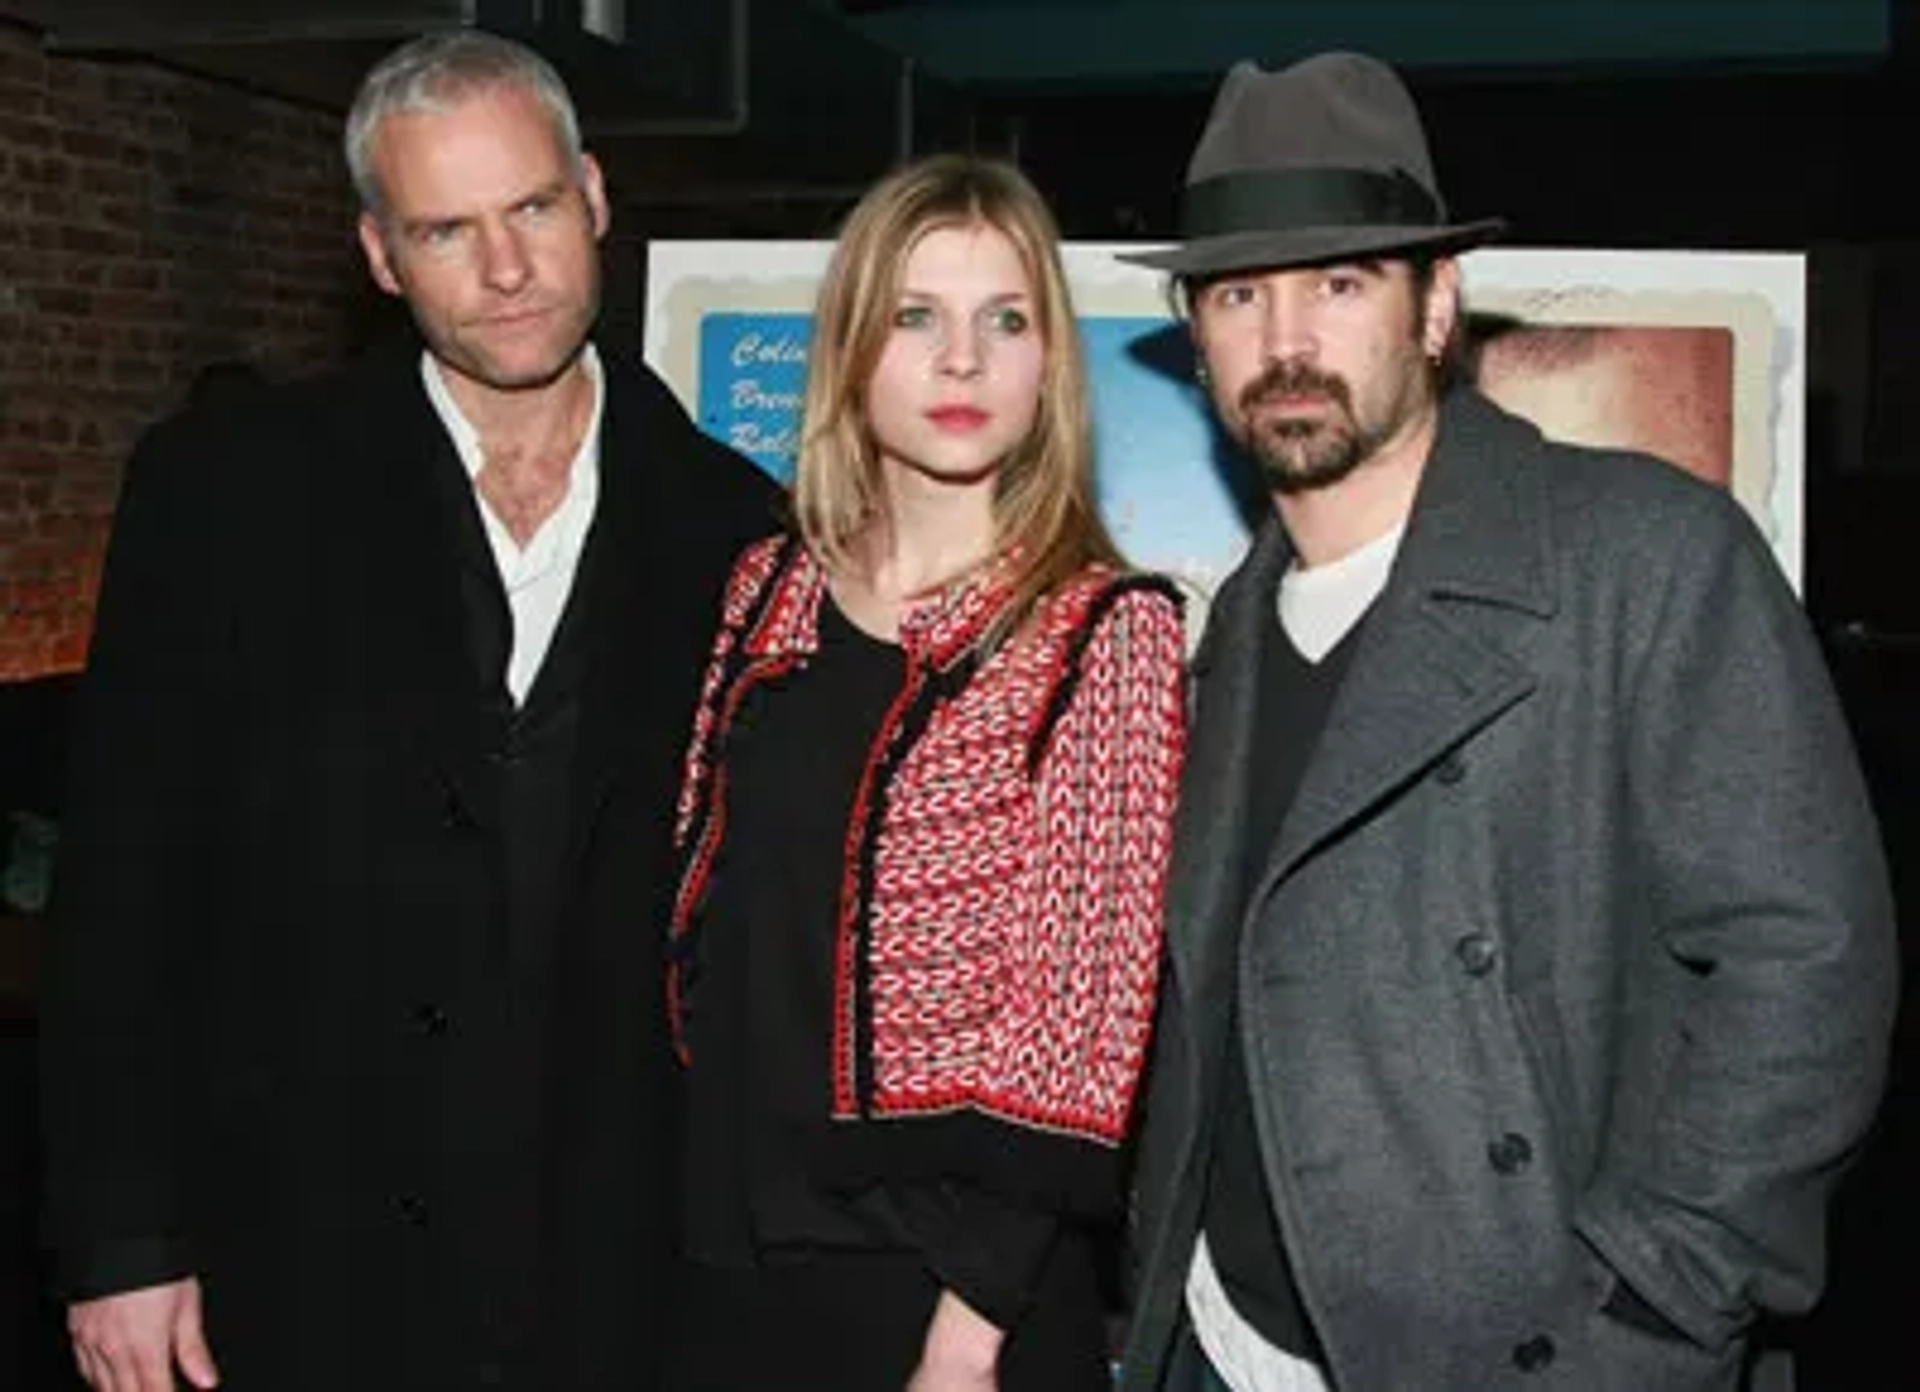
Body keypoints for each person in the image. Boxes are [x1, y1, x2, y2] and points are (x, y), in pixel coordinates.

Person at [1115, 51, 1896, 1392]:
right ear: (1198, 333)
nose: (1287, 340)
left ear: (1436, 311)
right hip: (1219, 1344)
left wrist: (1660, 1308)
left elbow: (1808, 968)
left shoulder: (1639, 557)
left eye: (1341, 284)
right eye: (1243, 293)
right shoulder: (1220, 633)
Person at [38, 30, 776, 1392]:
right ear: (379, 256)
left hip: (619, 1274)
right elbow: (125, 890)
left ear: (597, 197)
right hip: (295, 1254)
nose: (505, 271)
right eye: (447, 229)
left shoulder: (743, 528)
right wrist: (121, 1235)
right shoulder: (226, 492)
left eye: (534, 210)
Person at [660, 153, 1188, 1390]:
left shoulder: (1101, 630)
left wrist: (971, 1329)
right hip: (727, 1253)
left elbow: (1080, 1022)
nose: (963, 360)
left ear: (1049, 363)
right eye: (917, 317)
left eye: (1005, 321)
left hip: (943, 1291)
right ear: (851, 351)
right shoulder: (764, 594)